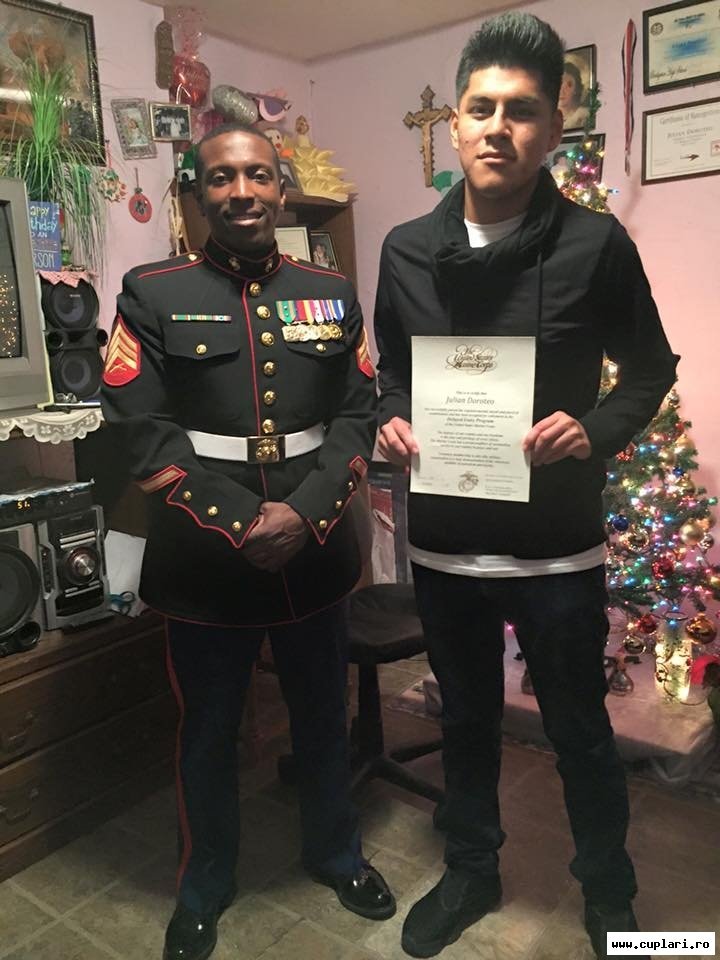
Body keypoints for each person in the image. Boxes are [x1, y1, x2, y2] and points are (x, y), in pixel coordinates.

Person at [373, 13, 678, 960]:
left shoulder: (595, 246)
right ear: (456, 122)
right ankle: (471, 870)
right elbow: (392, 372)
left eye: (521, 111)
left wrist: (594, 430)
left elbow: (650, 370)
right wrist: (392, 416)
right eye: (480, 108)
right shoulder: (404, 249)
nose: (497, 128)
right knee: (464, 720)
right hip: (446, 544)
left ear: (553, 128)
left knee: (580, 731)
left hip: (556, 550)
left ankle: (609, 892)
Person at [101, 122, 395, 960]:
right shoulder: (151, 292)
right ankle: (204, 882)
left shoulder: (329, 291)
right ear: (197, 192)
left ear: (281, 188)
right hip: (204, 557)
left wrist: (303, 513)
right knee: (208, 730)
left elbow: (357, 413)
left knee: (323, 715)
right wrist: (241, 521)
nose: (242, 193)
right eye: (223, 178)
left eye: (258, 176)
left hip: (316, 545)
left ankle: (337, 854)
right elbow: (141, 429)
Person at [559, 59, 588, 130]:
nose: (562, 91)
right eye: (559, 84)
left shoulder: (583, 116)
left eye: (569, 85)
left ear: (576, 88)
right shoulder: (546, 119)